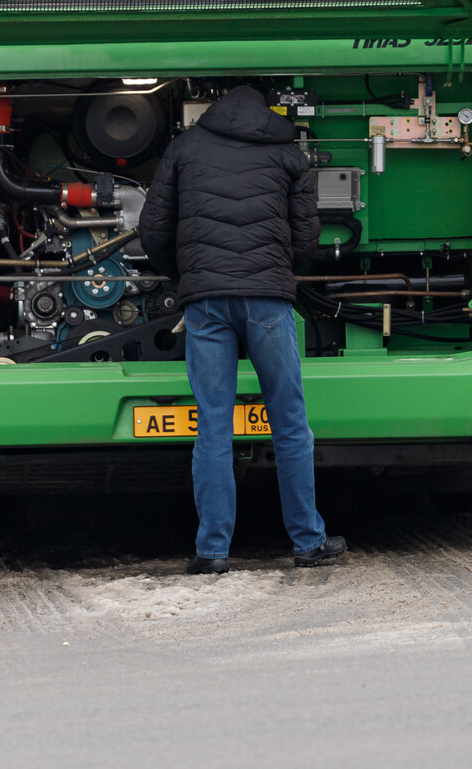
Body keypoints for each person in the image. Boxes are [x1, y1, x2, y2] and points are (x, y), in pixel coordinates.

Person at [139, 84, 346, 574]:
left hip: (206, 302)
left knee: (213, 423)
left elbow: (153, 227)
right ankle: (307, 542)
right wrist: (278, 270)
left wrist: (188, 275)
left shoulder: (185, 147)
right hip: (267, 301)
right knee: (289, 421)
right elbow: (307, 234)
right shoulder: (287, 152)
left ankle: (212, 552)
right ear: (267, 112)